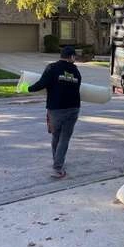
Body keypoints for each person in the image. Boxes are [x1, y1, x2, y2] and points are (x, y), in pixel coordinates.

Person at [27, 46, 82, 179]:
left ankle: (57, 163)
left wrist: (28, 88)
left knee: (56, 137)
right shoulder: (75, 70)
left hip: (55, 109)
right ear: (72, 57)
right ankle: (58, 166)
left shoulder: (52, 68)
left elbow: (41, 84)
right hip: (73, 108)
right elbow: (77, 85)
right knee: (64, 139)